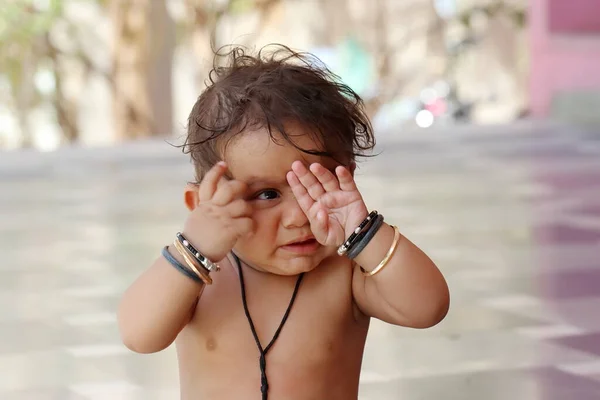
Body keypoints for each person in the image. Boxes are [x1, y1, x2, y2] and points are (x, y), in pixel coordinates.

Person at [117, 44, 450, 400]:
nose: (299, 217)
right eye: (266, 195)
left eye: (315, 188)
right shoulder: (199, 278)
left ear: (348, 181)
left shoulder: (346, 274)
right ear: (201, 205)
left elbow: (428, 308)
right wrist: (192, 250)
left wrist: (363, 232)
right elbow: (140, 335)